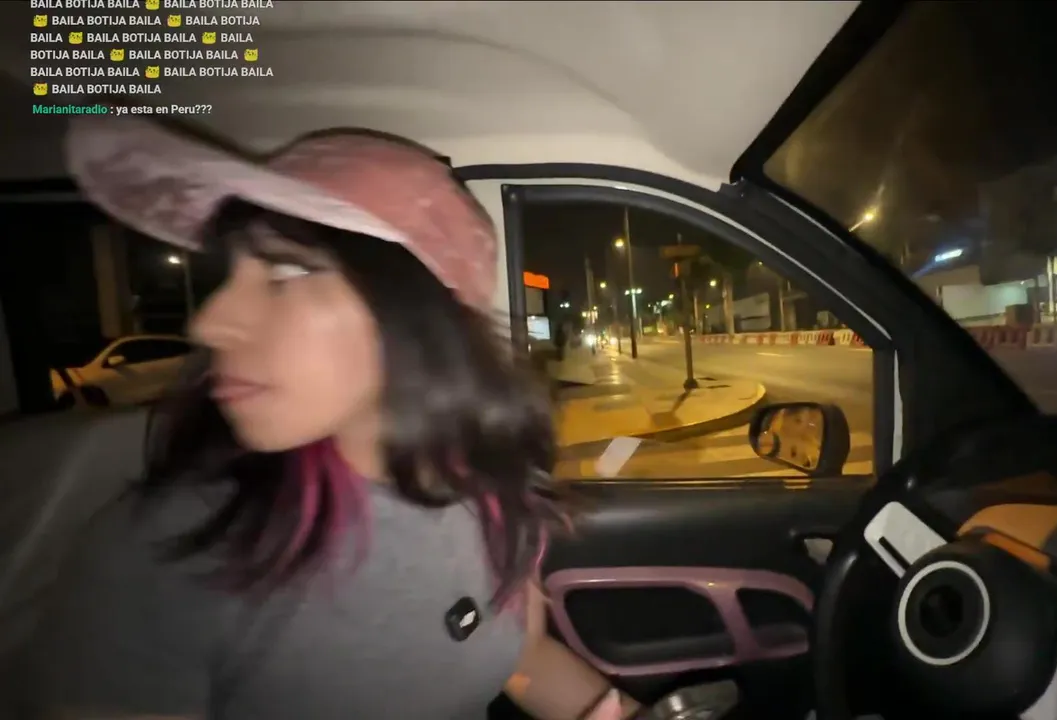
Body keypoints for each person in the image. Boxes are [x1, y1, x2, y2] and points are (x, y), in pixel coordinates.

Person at [29, 115, 641, 720]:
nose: (209, 322)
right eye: (228, 275)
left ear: (418, 312)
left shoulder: (487, 496)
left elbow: (520, 659)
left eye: (285, 271)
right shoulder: (170, 547)